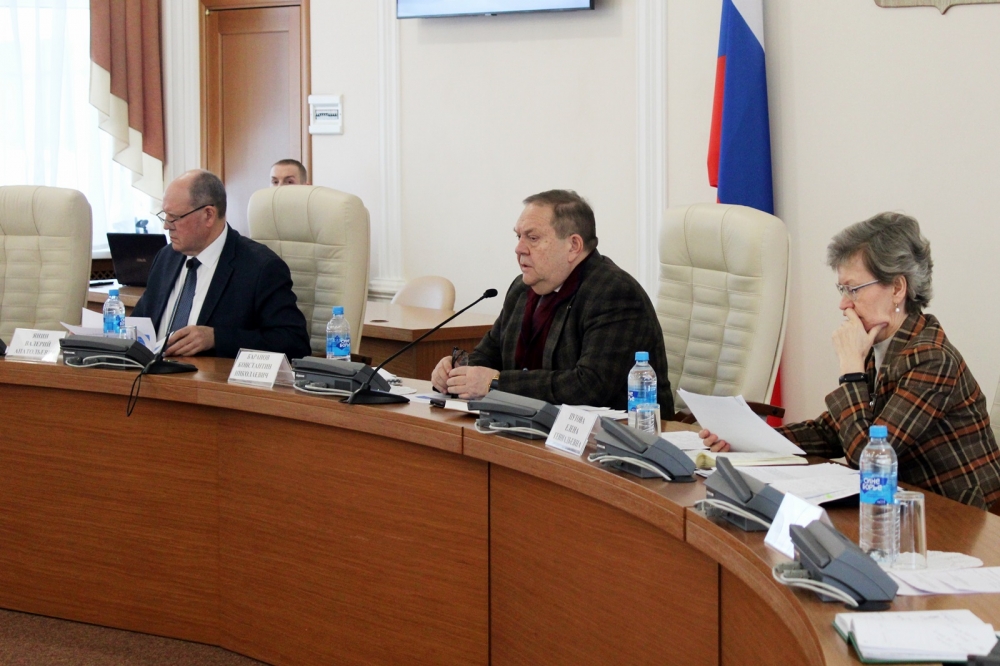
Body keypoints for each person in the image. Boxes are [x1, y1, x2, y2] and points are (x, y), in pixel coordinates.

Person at [702, 212, 1000, 510]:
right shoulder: (880, 344)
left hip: (963, 518)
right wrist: (746, 440)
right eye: (842, 289)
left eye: (853, 289)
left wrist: (851, 371)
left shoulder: (931, 359)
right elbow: (832, 432)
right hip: (903, 505)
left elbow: (868, 458)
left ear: (898, 288)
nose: (843, 304)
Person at [431, 189, 673, 414]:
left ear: (573, 246)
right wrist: (456, 371)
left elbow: (590, 386)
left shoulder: (613, 292)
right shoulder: (522, 289)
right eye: (518, 236)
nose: (519, 248)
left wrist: (495, 383)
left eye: (532, 238)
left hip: (612, 436)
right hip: (529, 428)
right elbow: (488, 356)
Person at [133, 170, 312, 360]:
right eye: (165, 216)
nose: (166, 226)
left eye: (174, 218)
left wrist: (216, 339)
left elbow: (294, 342)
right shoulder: (166, 257)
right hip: (150, 374)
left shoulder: (260, 267)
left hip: (210, 376)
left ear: (208, 215)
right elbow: (139, 322)